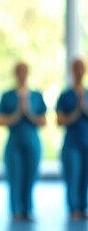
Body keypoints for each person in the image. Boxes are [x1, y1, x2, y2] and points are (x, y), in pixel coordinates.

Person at [0, 62, 47, 221]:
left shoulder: (36, 96)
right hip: (14, 143)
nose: (21, 74)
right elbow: (2, 121)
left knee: (30, 176)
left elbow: (42, 121)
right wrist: (18, 111)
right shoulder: (7, 96)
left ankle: (28, 209)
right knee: (14, 176)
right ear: (15, 73)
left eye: (24, 71)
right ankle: (15, 210)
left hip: (32, 142)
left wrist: (28, 112)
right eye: (19, 71)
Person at [56, 58, 88, 220]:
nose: (79, 71)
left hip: (86, 143)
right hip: (72, 145)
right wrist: (77, 110)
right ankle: (74, 208)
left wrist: (85, 108)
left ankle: (84, 208)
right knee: (73, 177)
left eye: (81, 68)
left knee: (85, 178)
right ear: (72, 71)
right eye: (76, 68)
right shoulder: (65, 96)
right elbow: (60, 121)